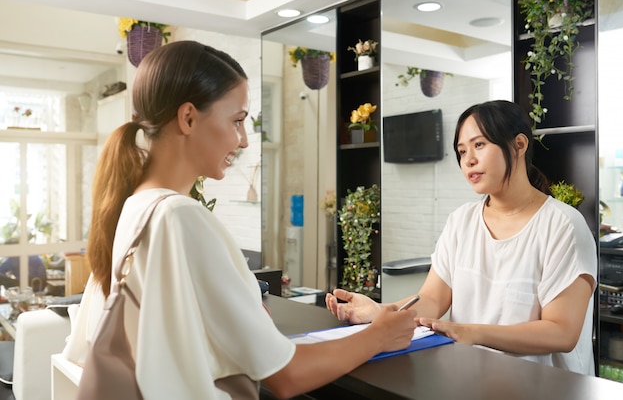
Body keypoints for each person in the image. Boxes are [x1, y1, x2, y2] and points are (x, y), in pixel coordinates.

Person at [61, 40, 417, 399]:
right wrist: (380, 335)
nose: (244, 141)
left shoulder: (135, 206)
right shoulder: (180, 216)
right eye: (237, 121)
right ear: (188, 118)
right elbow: (287, 375)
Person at [326, 100, 597, 375]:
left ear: (519, 145)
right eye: (462, 150)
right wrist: (380, 312)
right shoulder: (461, 221)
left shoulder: (563, 226)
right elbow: (431, 299)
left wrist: (470, 332)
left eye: (479, 145)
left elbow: (561, 332)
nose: (468, 160)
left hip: (546, 389)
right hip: (471, 380)